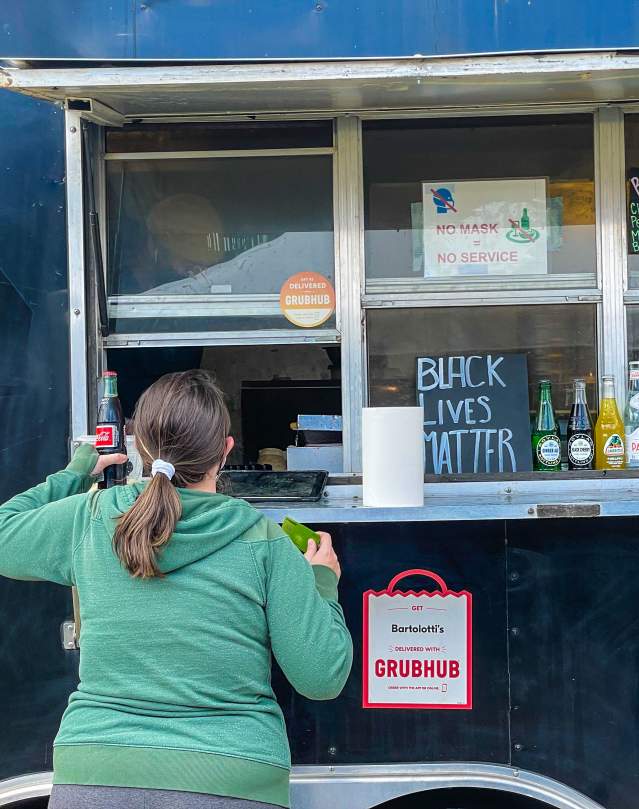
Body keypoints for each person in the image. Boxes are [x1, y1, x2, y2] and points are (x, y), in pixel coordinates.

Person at [0, 369, 352, 809]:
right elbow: (321, 677)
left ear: (140, 447)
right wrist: (322, 581)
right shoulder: (265, 541)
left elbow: (4, 535)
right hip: (232, 779)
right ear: (225, 450)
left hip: (95, 775)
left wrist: (74, 473)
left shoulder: (89, 518)